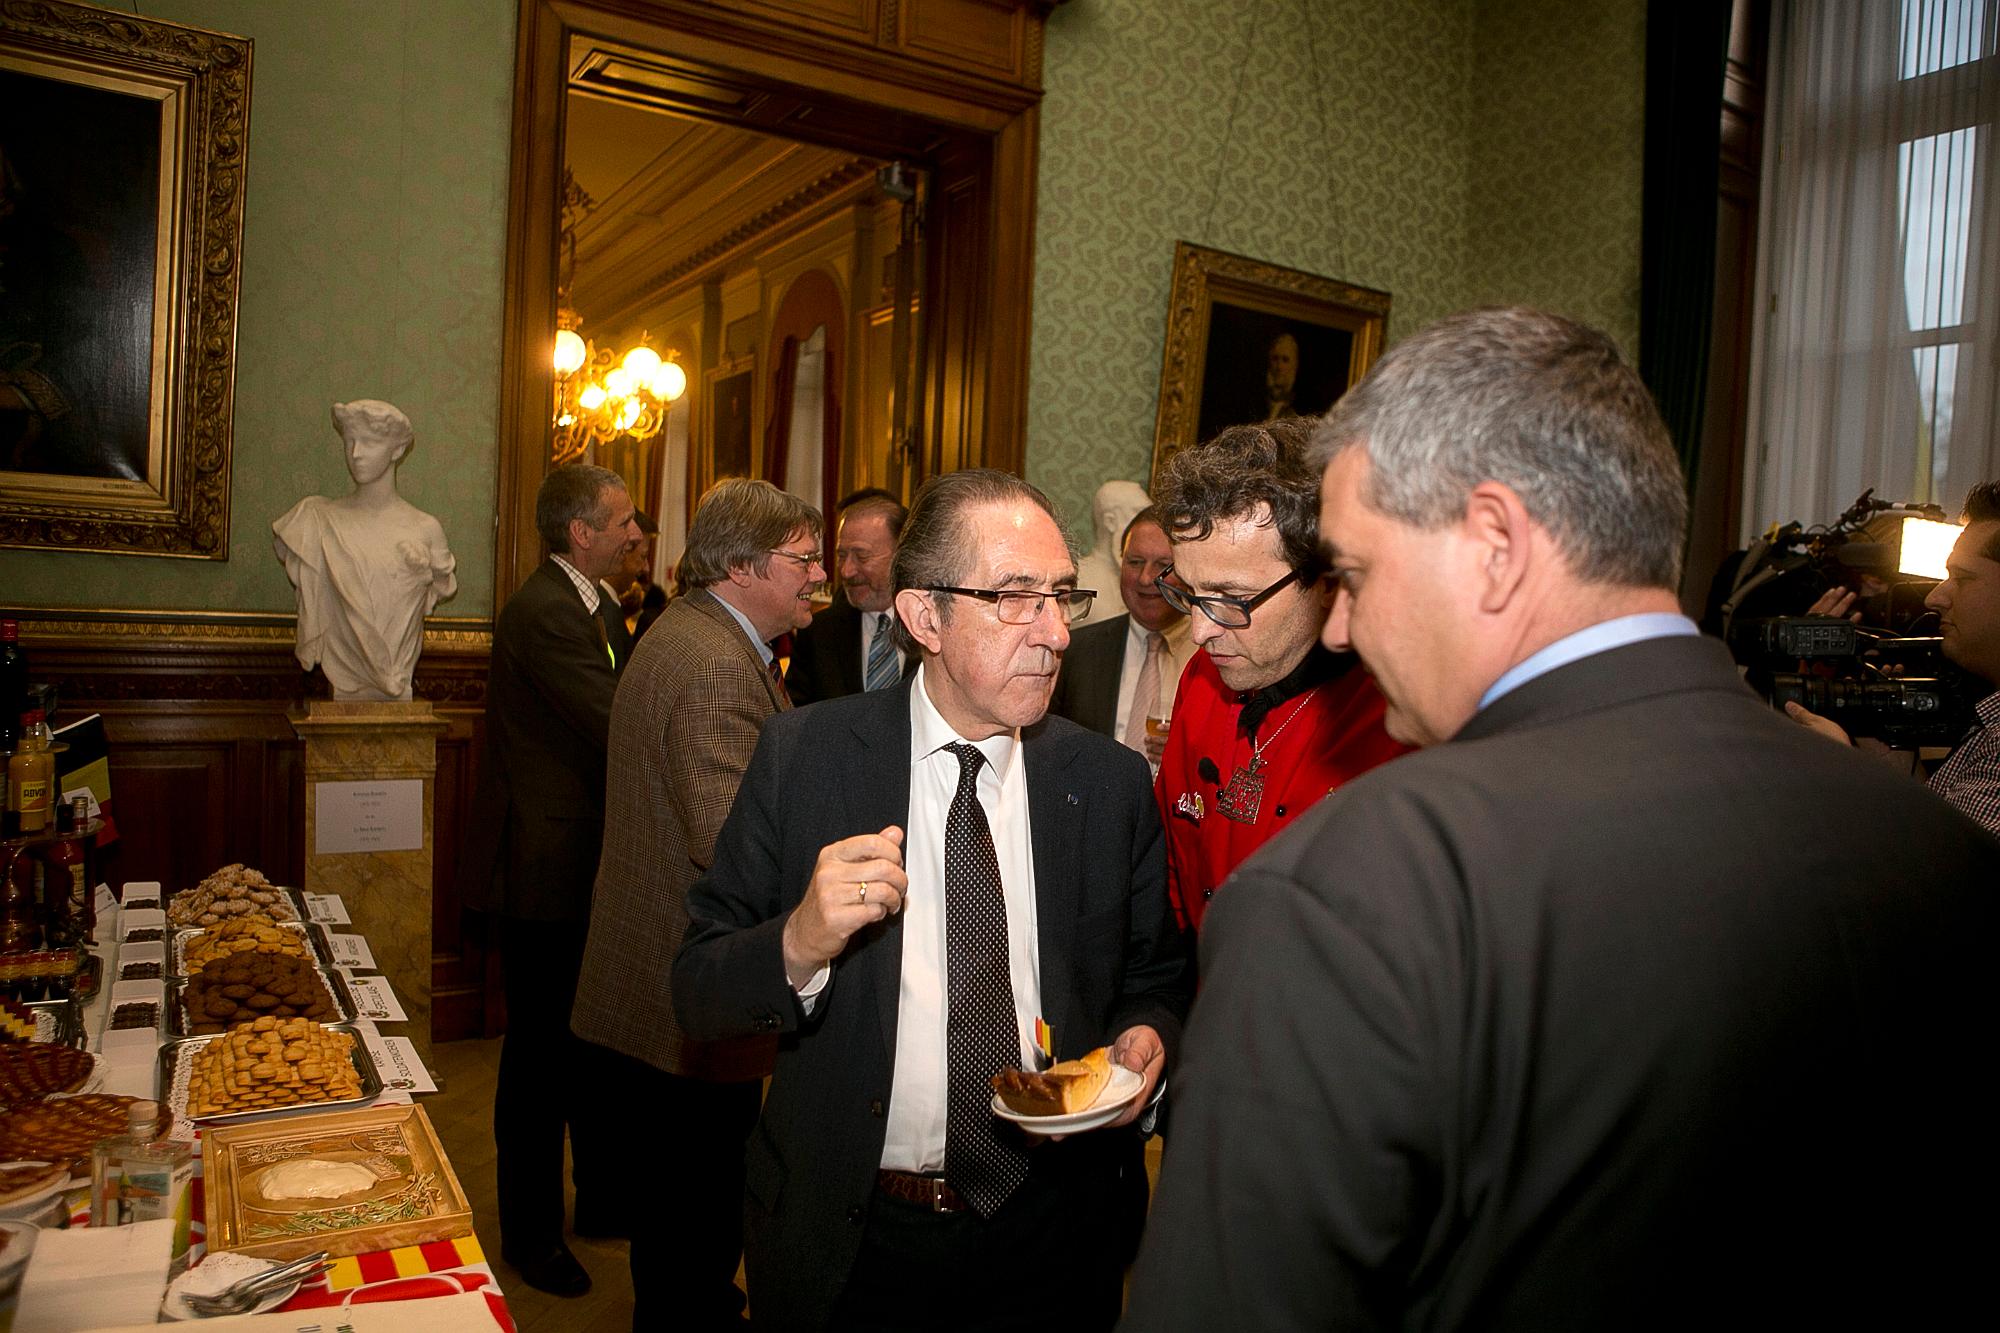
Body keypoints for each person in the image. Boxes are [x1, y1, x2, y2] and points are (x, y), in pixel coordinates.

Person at [1125, 308, 1998, 1330]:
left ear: (1495, 543)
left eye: (1355, 575)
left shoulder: (1353, 887)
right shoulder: (1939, 848)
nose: (1345, 622)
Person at [673, 469, 1193, 1332]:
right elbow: (697, 987)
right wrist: (799, 942)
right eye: (1017, 598)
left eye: (1061, 596)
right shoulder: (806, 757)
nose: (1058, 633)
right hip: (859, 1240)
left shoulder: (1105, 785)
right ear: (925, 618)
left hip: (1056, 1235)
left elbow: (1157, 973)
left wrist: (1147, 1038)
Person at [572, 479, 823, 1329]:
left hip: (651, 964)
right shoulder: (718, 664)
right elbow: (730, 846)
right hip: (690, 987)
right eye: (803, 558)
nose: (817, 573)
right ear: (745, 564)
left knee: (678, 1210)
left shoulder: (689, 633)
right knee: (695, 1211)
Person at [457, 463, 641, 1298]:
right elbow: (617, 720)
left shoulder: (591, 603)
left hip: (584, 860)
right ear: (582, 532)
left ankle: (601, 1198)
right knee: (540, 1061)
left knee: (593, 1039)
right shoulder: (545, 612)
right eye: (624, 522)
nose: (636, 535)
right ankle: (531, 1236)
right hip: (546, 866)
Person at [1149, 419, 1407, 932]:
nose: (1199, 630)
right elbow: (1170, 874)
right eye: (1190, 593)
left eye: (1232, 599)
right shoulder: (1201, 679)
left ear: (1328, 581)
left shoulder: (1402, 715)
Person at [1786, 481, 2000, 835]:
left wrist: (1848, 776)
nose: (1934, 599)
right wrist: (1897, 775)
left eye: (1961, 578)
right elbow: (1941, 834)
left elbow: (1949, 879)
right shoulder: (1988, 729)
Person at [272, 400, 457, 700]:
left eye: (369, 442)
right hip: (342, 687)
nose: (356, 453)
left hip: (399, 684)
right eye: (349, 442)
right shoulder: (316, 521)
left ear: (397, 450)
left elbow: (443, 584)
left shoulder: (425, 530)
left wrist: (420, 573)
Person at [1046, 505, 1193, 766]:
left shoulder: (1216, 655)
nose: (1147, 579)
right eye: (1135, 563)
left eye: (1163, 566)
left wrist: (1191, 751)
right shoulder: (1074, 651)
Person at [786, 488, 909, 704]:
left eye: (862, 556)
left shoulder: (937, 629)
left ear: (901, 555)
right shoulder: (818, 634)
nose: (846, 571)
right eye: (842, 556)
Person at [1072, 479, 1151, 616]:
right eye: (1140, 515)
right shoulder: (1078, 579)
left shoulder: (1147, 581)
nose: (1149, 526)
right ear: (1110, 521)